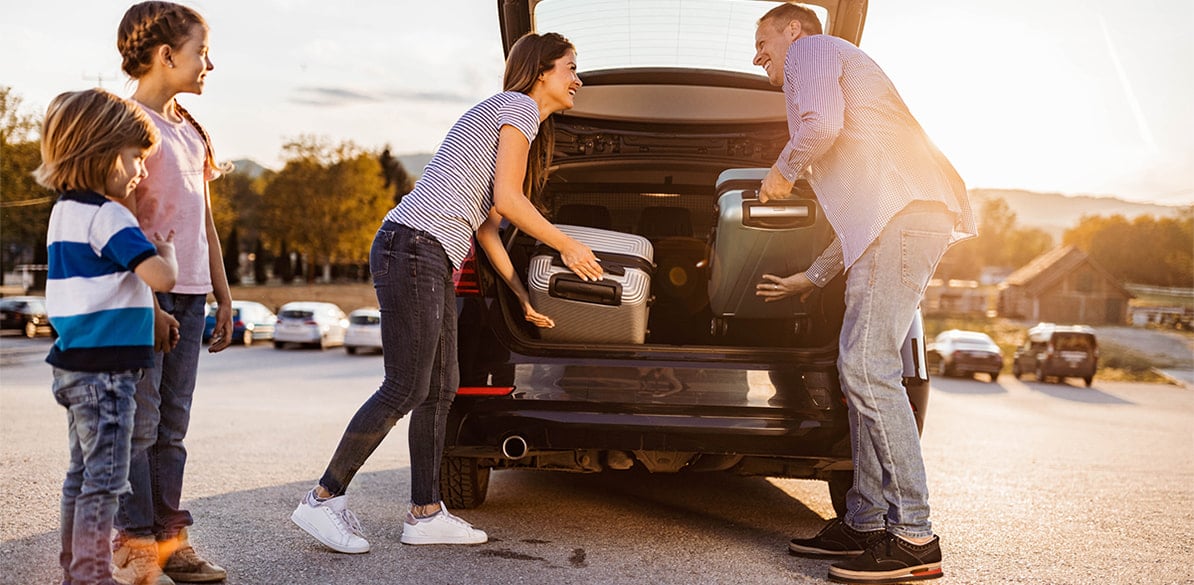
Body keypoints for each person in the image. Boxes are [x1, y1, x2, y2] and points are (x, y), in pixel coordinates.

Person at [290, 31, 601, 554]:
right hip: (414, 247)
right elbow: (508, 198)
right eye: (571, 67)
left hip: (425, 252)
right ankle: (323, 498)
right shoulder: (519, 108)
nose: (578, 79)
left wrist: (522, 296)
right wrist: (567, 245)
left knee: (440, 389)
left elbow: (486, 226)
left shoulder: (508, 117)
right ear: (542, 70)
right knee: (406, 386)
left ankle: (426, 513)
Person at [750, 4, 975, 584]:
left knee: (868, 368)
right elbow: (858, 222)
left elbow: (818, 127)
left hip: (904, 219)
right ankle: (867, 521)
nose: (759, 56)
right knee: (864, 368)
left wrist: (783, 171)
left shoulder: (812, 50)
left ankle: (914, 536)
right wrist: (812, 277)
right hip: (896, 222)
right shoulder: (838, 79)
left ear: (793, 29)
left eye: (763, 40)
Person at [36, 88, 179, 585]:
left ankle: (75, 569)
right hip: (109, 376)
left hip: (74, 368)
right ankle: (91, 576)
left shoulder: (64, 212)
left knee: (80, 478)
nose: (141, 170)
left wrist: (151, 317)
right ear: (101, 151)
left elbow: (107, 287)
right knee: (106, 483)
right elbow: (160, 276)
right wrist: (167, 253)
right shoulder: (109, 214)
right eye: (136, 157)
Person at [112, 2, 232, 583]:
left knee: (172, 426)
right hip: (144, 296)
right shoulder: (127, 125)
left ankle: (170, 539)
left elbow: (202, 220)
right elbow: (121, 219)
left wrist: (224, 295)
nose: (210, 63)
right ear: (167, 56)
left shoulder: (190, 129)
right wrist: (147, 299)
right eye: (201, 52)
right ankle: (134, 538)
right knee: (141, 420)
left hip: (192, 295)